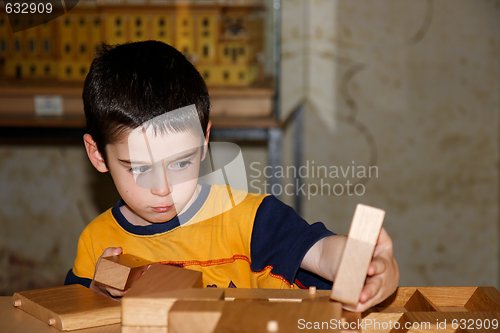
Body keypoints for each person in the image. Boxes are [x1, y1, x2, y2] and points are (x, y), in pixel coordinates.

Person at [65, 40, 399, 312]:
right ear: (98, 154)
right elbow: (72, 314)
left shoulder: (252, 220)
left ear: (204, 141)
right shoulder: (95, 243)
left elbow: (324, 254)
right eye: (140, 168)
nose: (164, 189)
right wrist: (99, 294)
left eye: (181, 162)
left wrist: (365, 265)